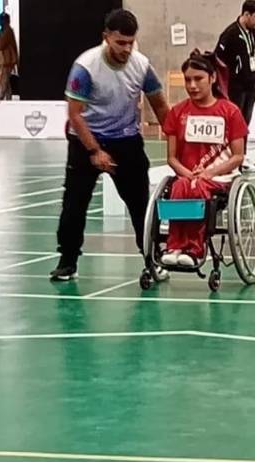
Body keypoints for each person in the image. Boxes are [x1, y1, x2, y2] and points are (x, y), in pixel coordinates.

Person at [51, 9, 170, 281]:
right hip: (85, 140)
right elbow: (75, 114)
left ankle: (153, 259)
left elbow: (161, 106)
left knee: (141, 204)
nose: (126, 49)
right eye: (120, 43)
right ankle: (67, 261)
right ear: (106, 37)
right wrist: (94, 150)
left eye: (131, 42)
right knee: (74, 204)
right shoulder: (85, 67)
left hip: (126, 140)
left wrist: (179, 139)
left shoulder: (141, 65)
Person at [160, 51, 248, 267]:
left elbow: (238, 156)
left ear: (212, 78)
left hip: (221, 178)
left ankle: (194, 250)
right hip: (187, 175)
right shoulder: (177, 112)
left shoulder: (230, 112)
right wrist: (188, 173)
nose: (192, 85)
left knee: (197, 187)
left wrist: (210, 172)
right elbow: (171, 158)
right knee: (180, 187)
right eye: (188, 80)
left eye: (198, 79)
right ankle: (174, 247)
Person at [215, 0, 255, 171]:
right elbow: (218, 58)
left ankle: (242, 156)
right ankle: (231, 158)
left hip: (250, 86)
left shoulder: (254, 34)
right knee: (235, 124)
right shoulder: (230, 34)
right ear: (246, 14)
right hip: (235, 87)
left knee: (245, 123)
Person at [0, 13, 19, 100]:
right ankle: (8, 99)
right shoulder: (1, 31)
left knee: (3, 81)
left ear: (5, 21)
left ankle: (0, 98)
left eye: (0, 19)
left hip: (7, 61)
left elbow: (0, 44)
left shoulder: (8, 31)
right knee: (6, 81)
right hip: (2, 60)